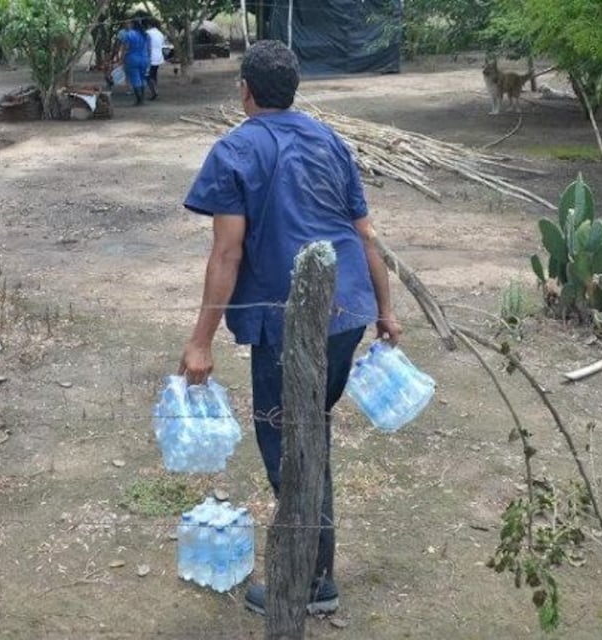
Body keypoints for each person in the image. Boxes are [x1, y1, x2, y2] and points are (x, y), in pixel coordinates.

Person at [178, 40, 402, 616]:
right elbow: (366, 236)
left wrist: (200, 341)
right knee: (311, 435)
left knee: (290, 448)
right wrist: (384, 310)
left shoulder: (235, 149)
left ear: (245, 90)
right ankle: (314, 570)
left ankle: (310, 582)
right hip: (346, 310)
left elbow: (226, 254)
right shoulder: (330, 141)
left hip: (291, 325)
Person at [116, 18, 149, 105]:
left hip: (132, 58)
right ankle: (142, 99)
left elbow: (125, 48)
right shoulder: (145, 34)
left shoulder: (129, 35)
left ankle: (139, 100)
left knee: (135, 78)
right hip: (144, 58)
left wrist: (121, 59)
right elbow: (148, 48)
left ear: (132, 24)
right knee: (142, 78)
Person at [145, 18, 166, 100]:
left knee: (148, 76)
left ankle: (154, 92)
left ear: (149, 25)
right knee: (154, 74)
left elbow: (147, 46)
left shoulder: (148, 33)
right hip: (159, 57)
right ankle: (154, 90)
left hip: (151, 57)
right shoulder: (160, 33)